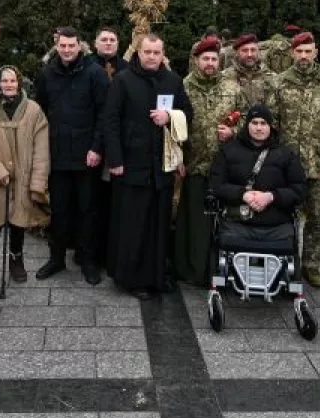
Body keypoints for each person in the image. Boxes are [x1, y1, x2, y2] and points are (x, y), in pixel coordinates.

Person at [103, 33, 192, 299]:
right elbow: (110, 121)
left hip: (162, 168)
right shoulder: (123, 80)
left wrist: (171, 116)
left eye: (156, 52)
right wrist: (115, 160)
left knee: (158, 225)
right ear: (138, 52)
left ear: (163, 54)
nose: (151, 57)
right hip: (132, 166)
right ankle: (133, 278)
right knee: (134, 225)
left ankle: (156, 275)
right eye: (147, 52)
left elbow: (188, 115)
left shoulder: (173, 81)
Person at [33, 27, 110, 284]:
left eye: (71, 46)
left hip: (87, 155)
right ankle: (56, 258)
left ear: (80, 46)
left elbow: (104, 114)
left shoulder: (95, 73)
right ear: (57, 46)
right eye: (62, 46)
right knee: (59, 210)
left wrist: (97, 147)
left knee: (88, 210)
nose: (67, 50)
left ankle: (88, 261)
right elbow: (41, 110)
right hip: (57, 154)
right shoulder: (47, 74)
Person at [266, 32, 320, 289]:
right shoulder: (279, 83)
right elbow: (271, 127)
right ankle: (285, 263)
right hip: (286, 169)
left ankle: (311, 266)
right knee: (284, 217)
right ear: (291, 54)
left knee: (316, 220)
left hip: (318, 167)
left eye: (308, 51)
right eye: (299, 51)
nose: (304, 56)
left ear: (316, 51)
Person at [173, 36, 246, 286]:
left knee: (225, 220)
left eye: (214, 59)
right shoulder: (184, 86)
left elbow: (249, 119)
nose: (210, 63)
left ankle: (222, 270)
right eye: (205, 58)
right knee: (194, 222)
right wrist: (177, 158)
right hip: (194, 163)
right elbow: (173, 124)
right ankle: (192, 270)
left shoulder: (232, 88)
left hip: (225, 166)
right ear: (196, 60)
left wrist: (234, 132)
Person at [0, 66, 51, 286]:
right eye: (4, 81)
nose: (9, 85)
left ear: (19, 83)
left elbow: (41, 149)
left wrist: (38, 182)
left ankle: (16, 259)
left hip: (23, 177)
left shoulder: (34, 111)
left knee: (19, 221)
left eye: (13, 81)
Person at [208, 104, 307, 238]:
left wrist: (271, 196)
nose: (259, 128)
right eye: (254, 123)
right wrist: (243, 195)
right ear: (247, 125)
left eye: (263, 123)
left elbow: (299, 189)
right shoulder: (228, 151)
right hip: (238, 220)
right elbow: (216, 185)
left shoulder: (286, 154)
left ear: (270, 126)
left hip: (276, 222)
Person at [228, 34, 273, 109]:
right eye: (245, 50)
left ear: (258, 52)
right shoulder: (225, 77)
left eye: (253, 50)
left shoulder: (271, 77)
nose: (249, 54)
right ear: (237, 53)